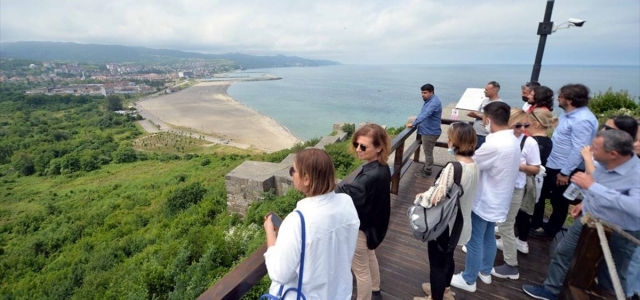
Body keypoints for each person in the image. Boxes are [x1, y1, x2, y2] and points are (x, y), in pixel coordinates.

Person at [522, 129, 640, 300]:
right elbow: (603, 186)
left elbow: (636, 207)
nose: (590, 151)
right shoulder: (606, 163)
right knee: (564, 253)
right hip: (590, 218)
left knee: (610, 274)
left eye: (595, 149)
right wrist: (586, 202)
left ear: (613, 154)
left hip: (622, 231)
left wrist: (593, 187)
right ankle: (551, 290)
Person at [263, 148, 360, 300]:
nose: (291, 174)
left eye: (292, 170)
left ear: (306, 178)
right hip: (338, 293)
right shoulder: (346, 203)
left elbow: (279, 274)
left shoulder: (297, 221)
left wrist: (270, 234)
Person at [450, 101, 520, 293]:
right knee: (489, 237)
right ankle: (485, 271)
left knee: (474, 240)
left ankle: (469, 279)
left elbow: (471, 164)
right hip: (500, 198)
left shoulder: (495, 144)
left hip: (485, 199)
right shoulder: (513, 140)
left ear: (487, 119)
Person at [413, 122, 479, 300]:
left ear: (455, 142)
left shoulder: (454, 167)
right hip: (461, 222)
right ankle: (445, 290)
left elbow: (435, 197)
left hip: (445, 225)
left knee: (437, 265)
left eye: (450, 138)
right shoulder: (474, 165)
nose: (448, 141)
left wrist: (420, 197)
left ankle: (435, 297)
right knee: (448, 258)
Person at [530, 84, 598, 239]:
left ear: (569, 99)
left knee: (559, 201)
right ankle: (538, 224)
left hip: (564, 168)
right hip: (554, 164)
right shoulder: (568, 115)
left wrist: (565, 172)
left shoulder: (582, 120)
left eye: (560, 95)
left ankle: (550, 231)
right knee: (544, 195)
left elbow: (579, 149)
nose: (557, 98)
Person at [335, 124, 391, 300]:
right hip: (374, 227)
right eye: (356, 144)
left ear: (379, 148)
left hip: (361, 229)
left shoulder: (369, 176)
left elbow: (350, 197)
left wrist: (339, 186)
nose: (358, 149)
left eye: (363, 146)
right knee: (369, 255)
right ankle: (376, 289)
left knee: (360, 271)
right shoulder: (382, 168)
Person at [493, 109, 541, 279]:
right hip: (499, 186)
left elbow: (535, 168)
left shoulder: (529, 143)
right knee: (497, 220)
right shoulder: (501, 138)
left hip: (515, 188)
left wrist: (517, 165)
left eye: (525, 125)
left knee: (507, 225)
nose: (522, 129)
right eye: (517, 125)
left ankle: (511, 265)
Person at [514, 108, 557, 251]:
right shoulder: (547, 141)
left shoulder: (535, 142)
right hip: (536, 180)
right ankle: (521, 238)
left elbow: (534, 165)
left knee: (523, 212)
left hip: (528, 180)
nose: (523, 128)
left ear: (536, 124)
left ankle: (521, 240)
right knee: (525, 211)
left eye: (526, 125)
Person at [409, 84, 442, 177]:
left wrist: (413, 123)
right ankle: (426, 167)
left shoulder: (434, 102)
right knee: (427, 151)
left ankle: (427, 171)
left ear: (432, 92)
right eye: (422, 93)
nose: (423, 95)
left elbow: (426, 114)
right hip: (428, 130)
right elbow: (423, 113)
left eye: (425, 93)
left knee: (428, 152)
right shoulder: (430, 100)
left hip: (430, 132)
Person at [467, 81, 503, 149]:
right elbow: (480, 112)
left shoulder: (499, 104)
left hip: (484, 135)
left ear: (494, 91)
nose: (484, 91)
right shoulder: (485, 101)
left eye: (487, 90)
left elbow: (494, 118)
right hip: (476, 133)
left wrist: (477, 115)